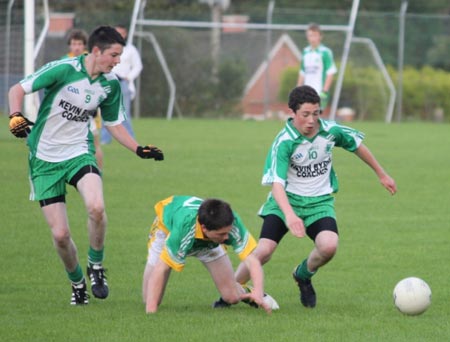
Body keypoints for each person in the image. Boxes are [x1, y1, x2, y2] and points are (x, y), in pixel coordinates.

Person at [8, 25, 164, 306]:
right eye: (114, 55)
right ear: (96, 51)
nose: (117, 62)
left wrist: (138, 149)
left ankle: (96, 266)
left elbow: (115, 124)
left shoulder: (110, 84)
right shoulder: (63, 69)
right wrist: (15, 116)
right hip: (43, 159)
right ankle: (78, 283)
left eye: (120, 56)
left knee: (96, 207)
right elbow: (16, 89)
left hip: (80, 153)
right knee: (61, 235)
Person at [233, 85, 397, 308]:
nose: (311, 120)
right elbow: (277, 186)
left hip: (320, 203)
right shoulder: (284, 142)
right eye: (305, 114)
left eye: (316, 113)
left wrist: (382, 174)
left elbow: (357, 145)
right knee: (264, 250)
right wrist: (290, 216)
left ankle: (303, 275)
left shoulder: (330, 131)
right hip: (285, 203)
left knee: (329, 246)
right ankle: (230, 292)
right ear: (292, 113)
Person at [142, 195, 278, 314]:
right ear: (204, 228)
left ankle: (245, 290)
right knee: (149, 298)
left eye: (227, 232)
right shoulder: (183, 231)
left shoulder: (231, 223)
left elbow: (252, 261)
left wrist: (259, 292)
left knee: (232, 297)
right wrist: (151, 315)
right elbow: (161, 268)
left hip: (209, 242)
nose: (226, 238)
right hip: (166, 232)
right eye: (221, 234)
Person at [62, 28, 103, 170]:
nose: (76, 47)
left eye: (79, 44)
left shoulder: (91, 60)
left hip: (89, 109)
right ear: (69, 45)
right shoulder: (64, 61)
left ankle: (98, 172)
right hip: (69, 110)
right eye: (73, 44)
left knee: (94, 143)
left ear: (84, 45)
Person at [101, 24, 143, 144]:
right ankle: (105, 139)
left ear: (125, 34)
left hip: (122, 83)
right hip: (107, 83)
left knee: (124, 113)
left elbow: (138, 66)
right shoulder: (106, 48)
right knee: (106, 111)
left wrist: (128, 78)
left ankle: (131, 140)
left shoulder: (130, 49)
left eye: (121, 33)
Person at [297, 23, 337, 110]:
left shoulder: (325, 52)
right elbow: (302, 72)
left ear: (320, 36)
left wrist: (325, 91)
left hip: (319, 92)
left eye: (315, 35)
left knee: (314, 119)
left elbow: (330, 72)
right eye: (310, 35)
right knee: (304, 119)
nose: (312, 38)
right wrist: (298, 90)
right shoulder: (305, 52)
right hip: (306, 92)